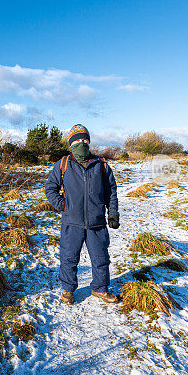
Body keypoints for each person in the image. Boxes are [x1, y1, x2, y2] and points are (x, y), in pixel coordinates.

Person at [44, 124, 120, 305]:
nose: (82, 143)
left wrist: (113, 214)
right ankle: (68, 290)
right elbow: (50, 188)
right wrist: (63, 205)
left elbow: (111, 192)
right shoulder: (63, 164)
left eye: (85, 139)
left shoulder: (101, 165)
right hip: (72, 222)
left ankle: (100, 288)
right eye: (77, 140)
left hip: (97, 222)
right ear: (71, 144)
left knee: (101, 257)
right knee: (69, 257)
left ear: (89, 141)